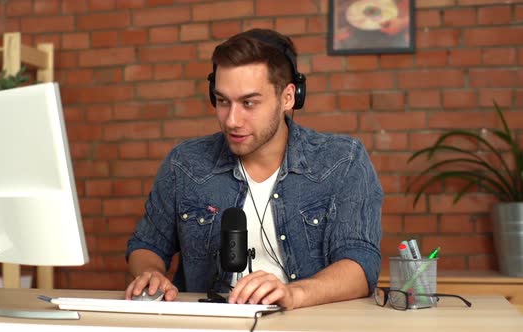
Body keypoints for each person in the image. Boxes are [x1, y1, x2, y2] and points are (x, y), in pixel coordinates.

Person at [125, 28, 383, 310]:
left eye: (249, 103)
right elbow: (147, 244)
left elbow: (361, 265)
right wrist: (150, 274)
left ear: (288, 97)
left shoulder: (343, 161)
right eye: (222, 101)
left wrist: (292, 294)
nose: (232, 120)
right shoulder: (185, 163)